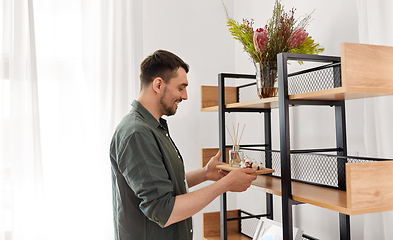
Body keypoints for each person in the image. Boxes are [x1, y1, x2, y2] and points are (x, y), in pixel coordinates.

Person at [109, 49, 257, 240]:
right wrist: (226, 184)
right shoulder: (137, 133)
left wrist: (205, 174)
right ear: (158, 85)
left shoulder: (152, 128)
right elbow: (164, 210)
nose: (185, 96)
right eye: (181, 88)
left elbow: (160, 185)